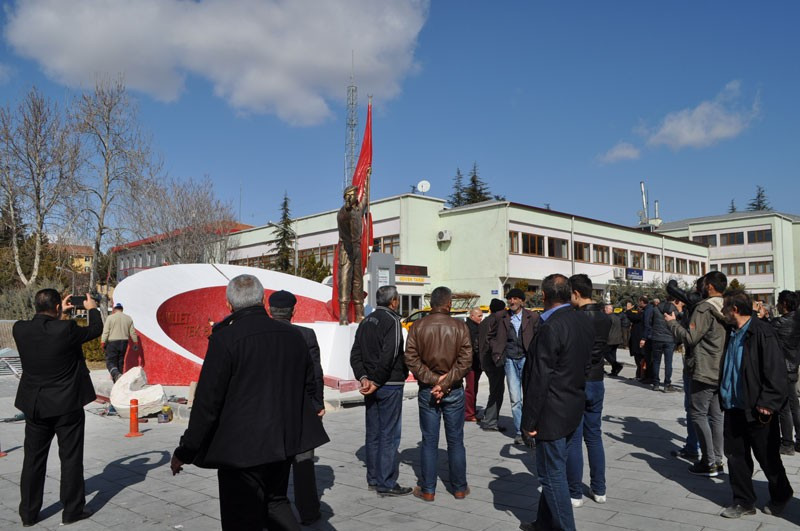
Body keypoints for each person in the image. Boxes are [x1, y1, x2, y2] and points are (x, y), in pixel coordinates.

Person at [171, 275, 328, 530]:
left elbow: (207, 403)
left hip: (241, 449)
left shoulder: (225, 339)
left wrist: (185, 450)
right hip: (283, 440)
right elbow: (308, 383)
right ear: (263, 300)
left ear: (229, 304)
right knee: (276, 501)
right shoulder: (293, 336)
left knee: (241, 514)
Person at [13, 290, 101, 526]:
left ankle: (28, 514)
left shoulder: (20, 329)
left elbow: (48, 332)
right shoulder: (67, 329)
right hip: (66, 406)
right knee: (70, 458)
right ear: (56, 308)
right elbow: (95, 329)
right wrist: (92, 309)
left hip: (35, 405)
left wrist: (59, 313)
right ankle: (72, 510)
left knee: (33, 460)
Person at [520, 274, 593, 531]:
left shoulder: (551, 326)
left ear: (543, 295)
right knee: (555, 470)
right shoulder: (580, 319)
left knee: (551, 476)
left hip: (552, 411)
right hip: (572, 404)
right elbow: (586, 364)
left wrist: (529, 421)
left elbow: (539, 378)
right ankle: (543, 523)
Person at [717, 290, 792, 519]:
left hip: (758, 408)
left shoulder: (762, 332)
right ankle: (743, 502)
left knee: (767, 457)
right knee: (736, 456)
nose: (722, 312)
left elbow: (776, 370)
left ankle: (781, 494)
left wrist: (768, 401)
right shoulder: (731, 331)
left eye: (724, 308)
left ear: (734, 310)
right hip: (733, 406)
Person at [405, 286, 473, 502]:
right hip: (453, 389)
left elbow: (411, 359)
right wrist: (445, 382)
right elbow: (466, 360)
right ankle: (459, 488)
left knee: (429, 440)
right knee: (456, 440)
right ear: (449, 303)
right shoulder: (460, 326)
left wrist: (435, 381)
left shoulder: (418, 326)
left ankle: (428, 489)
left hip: (428, 389)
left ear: (431, 304)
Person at [268, 290, 326, 525]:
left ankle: (273, 508)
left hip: (270, 408)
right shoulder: (306, 334)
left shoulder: (263, 335)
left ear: (270, 310)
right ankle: (309, 511)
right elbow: (315, 372)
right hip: (301, 407)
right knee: (303, 462)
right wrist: (318, 404)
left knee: (272, 461)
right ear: (293, 311)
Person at [349, 285, 411, 497]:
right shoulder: (392, 321)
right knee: (389, 434)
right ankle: (386, 482)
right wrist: (374, 380)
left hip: (372, 384)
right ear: (393, 301)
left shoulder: (366, 321)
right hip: (388, 383)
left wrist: (364, 377)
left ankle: (374, 478)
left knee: (374, 432)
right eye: (397, 299)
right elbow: (390, 354)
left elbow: (355, 354)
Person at [665, 271, 727, 477]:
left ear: (709, 286)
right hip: (720, 368)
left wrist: (672, 323)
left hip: (703, 368)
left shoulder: (704, 308)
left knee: (698, 414)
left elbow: (691, 338)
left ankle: (709, 461)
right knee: (716, 416)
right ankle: (717, 459)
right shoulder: (725, 306)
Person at [566, 274, 611, 508]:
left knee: (574, 438)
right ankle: (599, 489)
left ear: (576, 293)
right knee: (594, 436)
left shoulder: (575, 319)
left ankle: (575, 492)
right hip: (597, 379)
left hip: (578, 380)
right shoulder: (605, 317)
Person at [488, 288, 539, 445]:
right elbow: (490, 336)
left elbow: (539, 336)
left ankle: (530, 429)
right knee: (515, 398)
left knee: (530, 396)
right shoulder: (501, 316)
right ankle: (519, 432)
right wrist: (496, 350)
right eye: (510, 298)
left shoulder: (533, 317)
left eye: (516, 298)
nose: (512, 301)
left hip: (526, 359)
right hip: (509, 360)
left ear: (522, 301)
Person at [772, 290, 800, 455]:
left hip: (783, 369)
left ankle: (787, 443)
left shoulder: (780, 323)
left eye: (778, 302)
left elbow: (765, 329)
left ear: (784, 304)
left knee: (784, 408)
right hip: (794, 367)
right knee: (794, 405)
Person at [337, 183, 368, 324]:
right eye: (349, 195)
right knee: (345, 280)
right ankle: (343, 315)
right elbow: (344, 217)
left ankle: (359, 313)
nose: (352, 196)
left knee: (358, 281)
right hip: (346, 248)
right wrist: (347, 207)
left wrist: (366, 179)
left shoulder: (358, 210)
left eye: (354, 194)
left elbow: (365, 199)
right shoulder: (343, 212)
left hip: (356, 248)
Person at [479, 298, 509, 432]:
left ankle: (489, 417)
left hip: (485, 360)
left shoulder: (485, 321)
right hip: (494, 361)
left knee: (495, 390)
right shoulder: (497, 321)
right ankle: (490, 421)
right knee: (497, 391)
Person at [100, 302, 139, 382]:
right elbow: (132, 332)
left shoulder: (110, 318)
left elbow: (106, 332)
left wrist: (103, 342)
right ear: (122, 309)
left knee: (111, 362)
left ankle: (116, 374)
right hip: (124, 343)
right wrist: (135, 342)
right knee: (120, 362)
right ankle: (118, 382)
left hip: (112, 343)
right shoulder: (128, 318)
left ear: (114, 309)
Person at [646, 297, 679, 392]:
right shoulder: (674, 310)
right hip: (669, 339)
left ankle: (656, 384)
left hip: (656, 338)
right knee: (668, 362)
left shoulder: (655, 309)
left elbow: (650, 322)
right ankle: (667, 384)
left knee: (656, 361)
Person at [464, 307, 484, 422]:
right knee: (471, 388)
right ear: (472, 316)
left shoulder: (477, 327)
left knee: (474, 387)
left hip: (476, 363)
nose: (481, 318)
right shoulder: (469, 328)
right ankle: (469, 413)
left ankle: (471, 410)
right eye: (479, 316)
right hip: (471, 363)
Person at [626, 298, 647, 380]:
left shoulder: (643, 314)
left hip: (640, 339)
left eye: (640, 307)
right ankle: (639, 375)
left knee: (640, 358)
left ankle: (641, 375)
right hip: (636, 339)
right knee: (638, 357)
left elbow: (634, 317)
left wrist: (628, 310)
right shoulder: (641, 313)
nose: (638, 308)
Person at [604, 304, 624, 376]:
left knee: (605, 353)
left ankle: (617, 365)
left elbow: (606, 329)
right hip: (617, 339)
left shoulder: (608, 317)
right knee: (613, 354)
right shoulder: (617, 317)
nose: (605, 310)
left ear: (610, 309)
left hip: (610, 339)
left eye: (606, 308)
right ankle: (614, 370)